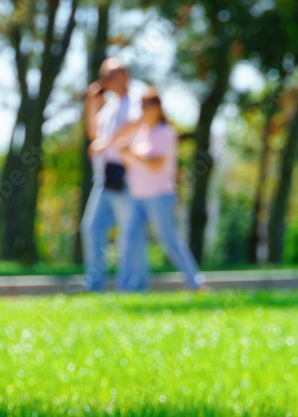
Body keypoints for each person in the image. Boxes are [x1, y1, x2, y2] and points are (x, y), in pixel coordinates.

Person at [114, 87, 207, 292]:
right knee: (128, 240)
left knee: (169, 240)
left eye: (148, 104)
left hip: (159, 195)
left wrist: (132, 152)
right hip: (137, 195)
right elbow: (131, 163)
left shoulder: (165, 132)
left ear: (158, 107)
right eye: (142, 105)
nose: (144, 109)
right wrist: (124, 152)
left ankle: (195, 282)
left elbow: (156, 164)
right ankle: (124, 288)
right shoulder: (141, 133)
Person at [81, 57, 141, 291]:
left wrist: (107, 143)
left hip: (126, 177)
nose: (105, 81)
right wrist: (92, 103)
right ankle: (94, 285)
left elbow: (136, 123)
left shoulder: (136, 98)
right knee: (92, 228)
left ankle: (132, 286)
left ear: (124, 76)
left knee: (129, 233)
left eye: (110, 76)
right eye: (103, 76)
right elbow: (93, 133)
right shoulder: (111, 105)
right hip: (103, 180)